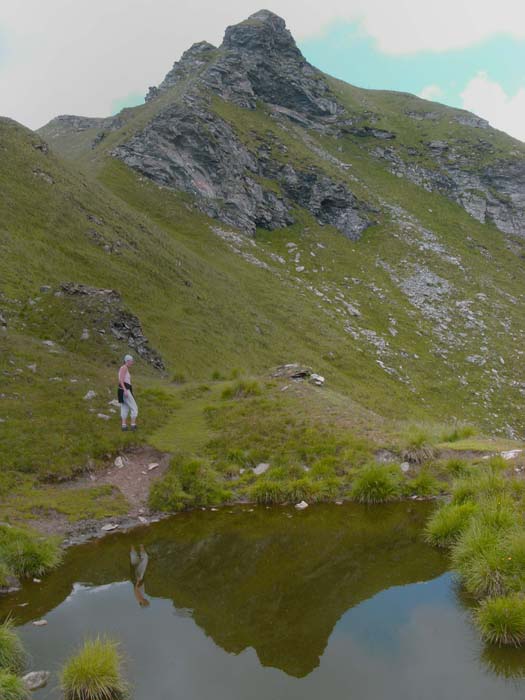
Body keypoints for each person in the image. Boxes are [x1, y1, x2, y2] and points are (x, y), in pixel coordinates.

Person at [118, 354, 138, 431]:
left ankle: (124, 426)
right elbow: (121, 380)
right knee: (134, 407)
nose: (132, 362)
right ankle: (133, 425)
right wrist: (125, 390)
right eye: (131, 361)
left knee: (125, 407)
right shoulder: (124, 368)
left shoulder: (123, 368)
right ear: (127, 361)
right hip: (125, 389)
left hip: (121, 390)